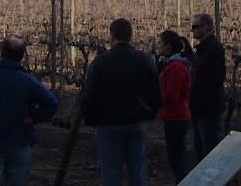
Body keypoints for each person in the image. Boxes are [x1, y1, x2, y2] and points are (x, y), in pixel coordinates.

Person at [81, 18, 161, 186]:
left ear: (112, 36)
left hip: (109, 125)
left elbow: (89, 95)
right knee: (137, 171)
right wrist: (150, 113)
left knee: (111, 173)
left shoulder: (100, 62)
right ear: (130, 36)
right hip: (137, 122)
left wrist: (91, 120)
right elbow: (156, 91)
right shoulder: (145, 59)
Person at [0, 36, 58, 186]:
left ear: (1, 54)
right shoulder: (28, 81)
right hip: (19, 141)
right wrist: (34, 117)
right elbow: (52, 103)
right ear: (22, 57)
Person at [155, 30, 192, 184]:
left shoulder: (175, 67)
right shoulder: (171, 65)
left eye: (160, 44)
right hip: (173, 116)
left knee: (177, 158)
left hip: (176, 117)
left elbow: (171, 94)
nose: (157, 47)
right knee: (175, 157)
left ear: (168, 46)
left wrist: (155, 99)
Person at [189, 13, 225, 161]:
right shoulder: (203, 49)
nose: (192, 31)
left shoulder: (214, 48)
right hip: (200, 108)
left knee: (209, 151)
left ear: (206, 27)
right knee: (200, 147)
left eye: (195, 27)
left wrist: (198, 101)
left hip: (207, 108)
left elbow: (213, 80)